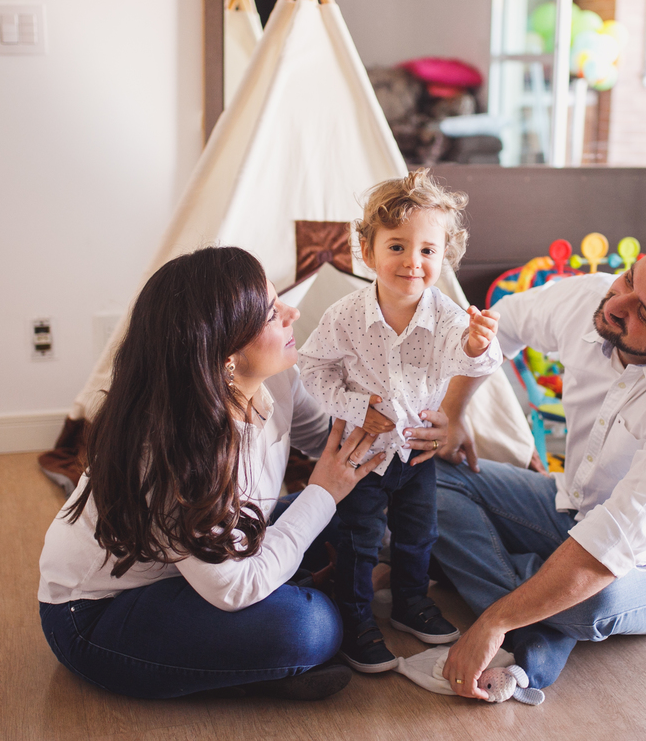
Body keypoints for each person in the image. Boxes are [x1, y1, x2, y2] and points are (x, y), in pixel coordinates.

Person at [36, 247, 449, 700]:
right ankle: (283, 633)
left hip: (214, 555)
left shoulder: (274, 377)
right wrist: (322, 493)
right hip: (98, 613)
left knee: (362, 512)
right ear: (227, 353)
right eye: (272, 313)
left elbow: (330, 441)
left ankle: (295, 604)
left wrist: (414, 426)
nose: (292, 313)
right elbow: (235, 586)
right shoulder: (173, 452)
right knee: (311, 625)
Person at [433, 234, 646, 698]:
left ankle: (523, 611)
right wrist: (454, 412)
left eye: (643, 312)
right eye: (630, 278)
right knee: (429, 477)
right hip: (574, 503)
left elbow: (614, 543)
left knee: (595, 600)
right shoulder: (593, 295)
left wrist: (493, 621)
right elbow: (499, 328)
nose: (615, 304)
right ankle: (540, 615)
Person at [298, 170, 502, 673]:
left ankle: (410, 602)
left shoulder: (449, 317)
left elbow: (475, 361)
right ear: (368, 253)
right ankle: (354, 618)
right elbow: (313, 369)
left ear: (444, 256)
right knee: (359, 539)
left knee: (419, 534)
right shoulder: (345, 315)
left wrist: (479, 344)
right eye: (397, 247)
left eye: (428, 250)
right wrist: (354, 407)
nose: (413, 261)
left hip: (416, 452)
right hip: (361, 452)